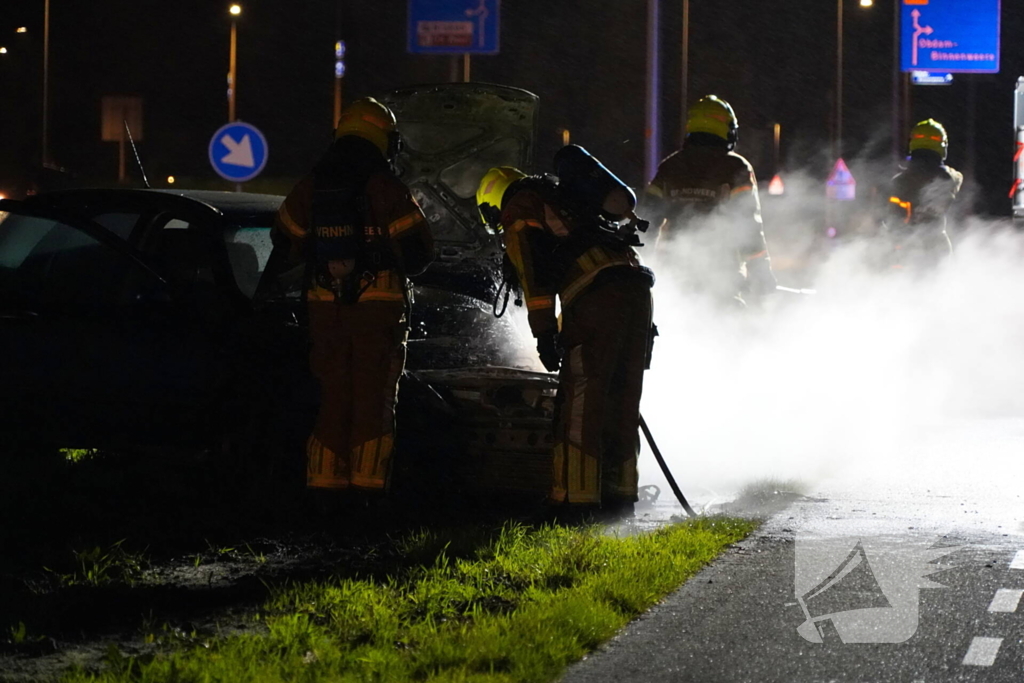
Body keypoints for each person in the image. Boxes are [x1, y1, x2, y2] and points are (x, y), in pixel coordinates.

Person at [476, 150, 654, 518]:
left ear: (495, 208)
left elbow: (534, 274)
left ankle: (576, 500)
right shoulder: (562, 199)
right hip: (635, 288)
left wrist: (543, 333)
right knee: (621, 394)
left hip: (597, 296)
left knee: (581, 400)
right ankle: (619, 497)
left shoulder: (520, 209)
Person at [274, 97, 434, 503]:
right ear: (385, 139)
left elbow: (282, 241)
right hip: (376, 312)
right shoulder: (385, 186)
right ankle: (366, 495)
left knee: (331, 397)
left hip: (324, 309)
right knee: (372, 400)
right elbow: (417, 254)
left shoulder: (311, 185)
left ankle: (323, 490)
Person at [644, 95, 775, 306]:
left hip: (675, 277)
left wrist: (643, 266)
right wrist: (761, 272)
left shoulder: (670, 167)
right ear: (727, 129)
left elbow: (647, 220)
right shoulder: (736, 168)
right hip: (721, 279)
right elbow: (748, 225)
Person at [880, 118, 962, 270]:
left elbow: (887, 218)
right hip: (935, 248)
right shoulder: (952, 178)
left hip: (902, 247)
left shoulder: (898, 181)